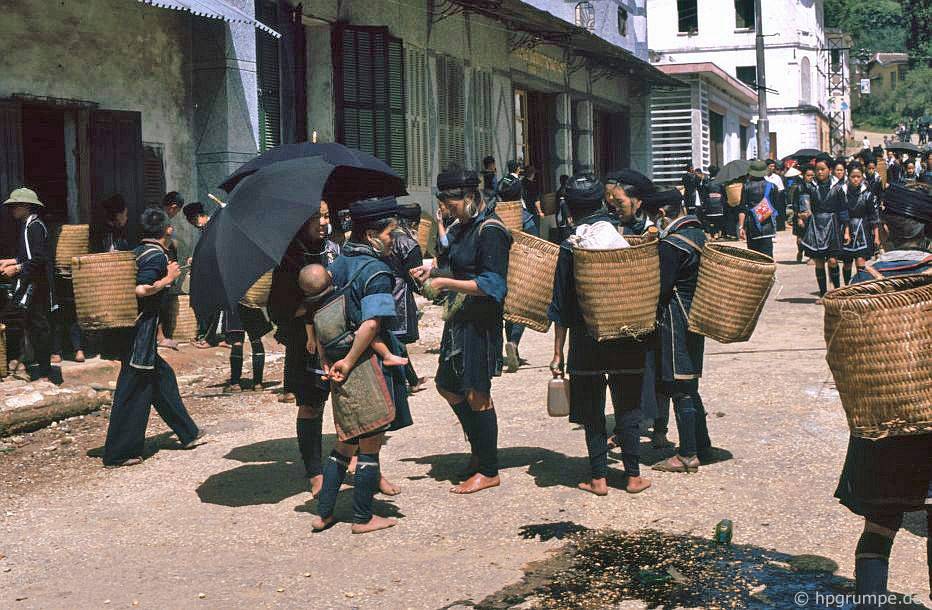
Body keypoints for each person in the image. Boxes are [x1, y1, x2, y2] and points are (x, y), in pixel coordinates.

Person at [835, 183, 931, 609]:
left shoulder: (861, 282)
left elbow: (843, 354)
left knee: (880, 523)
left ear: (884, 232)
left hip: (882, 421)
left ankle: (870, 602)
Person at [311, 197, 413, 534]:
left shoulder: (336, 265)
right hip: (363, 363)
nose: (392, 241)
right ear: (370, 235)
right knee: (370, 444)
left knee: (344, 442)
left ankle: (323, 512)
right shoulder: (376, 272)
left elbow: (323, 318)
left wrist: (333, 360)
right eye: (388, 234)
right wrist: (352, 360)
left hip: (338, 364)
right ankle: (363, 517)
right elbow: (371, 325)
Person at [548, 173, 651, 495]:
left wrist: (557, 352)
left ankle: (598, 477)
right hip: (626, 335)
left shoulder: (570, 247)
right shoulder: (623, 238)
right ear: (602, 202)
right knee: (628, 406)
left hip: (586, 338)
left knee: (592, 410)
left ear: (569, 207)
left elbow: (562, 306)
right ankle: (633, 476)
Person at [411, 165, 511, 495]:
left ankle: (489, 468)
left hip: (481, 323)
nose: (446, 210)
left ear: (470, 198)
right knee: (448, 385)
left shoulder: (491, 230)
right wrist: (430, 271)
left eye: (450, 204)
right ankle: (479, 451)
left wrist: (445, 282)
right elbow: (452, 261)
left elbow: (493, 285)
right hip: (459, 319)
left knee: (477, 392)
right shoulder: (463, 227)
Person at [102, 207, 206, 467]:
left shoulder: (138, 251)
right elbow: (141, 289)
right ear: (167, 230)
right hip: (140, 334)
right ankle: (119, 452)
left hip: (133, 332)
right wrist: (168, 279)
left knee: (162, 378)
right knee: (133, 389)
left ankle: (188, 433)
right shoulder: (156, 257)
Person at [268, 203, 340, 495]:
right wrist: (311, 303)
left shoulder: (336, 249)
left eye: (325, 215)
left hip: (339, 336)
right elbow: (277, 309)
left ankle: (361, 463)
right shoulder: (288, 258)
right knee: (310, 405)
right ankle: (314, 470)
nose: (323, 222)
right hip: (305, 342)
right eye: (316, 217)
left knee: (348, 401)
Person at [643, 189, 712, 474]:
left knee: (678, 386)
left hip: (675, 319)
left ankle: (687, 454)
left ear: (662, 214)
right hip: (696, 315)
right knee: (690, 383)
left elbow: (660, 290)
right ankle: (702, 444)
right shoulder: (698, 234)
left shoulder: (672, 244)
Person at [0, 187, 57, 382]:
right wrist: (11, 261)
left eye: (15, 206)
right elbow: (27, 256)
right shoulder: (27, 225)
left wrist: (16, 269)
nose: (12, 210)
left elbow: (39, 259)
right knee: (26, 322)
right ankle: (25, 361)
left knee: (39, 326)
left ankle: (45, 371)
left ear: (26, 206)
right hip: (30, 283)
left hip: (37, 285)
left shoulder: (35, 227)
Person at [384, 202, 426, 393]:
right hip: (400, 293)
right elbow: (416, 277)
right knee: (397, 340)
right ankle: (406, 381)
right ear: (415, 223)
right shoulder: (409, 243)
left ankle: (412, 378)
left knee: (392, 338)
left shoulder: (384, 237)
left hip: (384, 288)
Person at [799, 159, 847, 299]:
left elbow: (843, 209)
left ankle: (837, 292)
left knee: (832, 260)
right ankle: (823, 294)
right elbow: (804, 204)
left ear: (829, 170)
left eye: (823, 169)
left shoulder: (837, 187)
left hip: (833, 224)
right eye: (817, 169)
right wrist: (803, 214)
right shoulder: (809, 187)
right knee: (819, 261)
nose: (820, 172)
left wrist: (846, 229)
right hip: (815, 225)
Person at [838, 163, 881, 284]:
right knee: (847, 262)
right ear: (848, 176)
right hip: (846, 229)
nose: (855, 179)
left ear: (862, 177)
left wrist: (877, 236)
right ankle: (847, 287)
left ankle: (860, 287)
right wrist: (845, 231)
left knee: (860, 261)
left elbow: (873, 216)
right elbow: (842, 212)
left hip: (863, 229)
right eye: (853, 176)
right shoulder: (843, 193)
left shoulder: (867, 194)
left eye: (858, 176)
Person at [737, 160, 778, 258]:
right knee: (767, 256)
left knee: (754, 257)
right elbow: (775, 206)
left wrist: (741, 227)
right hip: (768, 224)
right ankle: (769, 273)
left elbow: (742, 208)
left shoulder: (746, 187)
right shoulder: (772, 186)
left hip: (752, 226)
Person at [606, 169, 656, 236]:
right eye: (615, 203)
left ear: (637, 202)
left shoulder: (650, 231)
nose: (616, 209)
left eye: (620, 202)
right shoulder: (610, 226)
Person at [700, 165, 726, 239]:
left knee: (711, 221)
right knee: (719, 220)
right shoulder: (721, 183)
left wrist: (704, 206)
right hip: (720, 205)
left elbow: (704, 196)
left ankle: (712, 236)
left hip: (710, 205)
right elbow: (724, 194)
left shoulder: (707, 183)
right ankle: (719, 234)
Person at [765, 159, 787, 231]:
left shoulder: (777, 177)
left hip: (775, 199)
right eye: (771, 166)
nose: (772, 168)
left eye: (773, 166)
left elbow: (781, 190)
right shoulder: (763, 177)